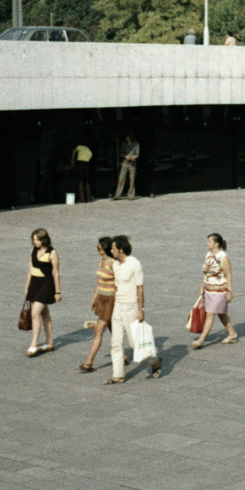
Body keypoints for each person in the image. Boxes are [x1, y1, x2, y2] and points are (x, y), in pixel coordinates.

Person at [107, 235, 161, 383]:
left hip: (131, 307)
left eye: (113, 248)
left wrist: (141, 309)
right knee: (115, 342)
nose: (111, 251)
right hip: (118, 306)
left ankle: (154, 361)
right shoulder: (115, 264)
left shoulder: (134, 264)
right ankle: (117, 375)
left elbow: (140, 288)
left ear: (121, 249)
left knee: (134, 343)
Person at [191, 231, 238, 347]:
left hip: (219, 291)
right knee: (221, 313)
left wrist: (229, 292)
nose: (207, 243)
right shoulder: (209, 255)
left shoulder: (223, 257)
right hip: (209, 290)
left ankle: (201, 340)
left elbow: (228, 275)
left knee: (210, 314)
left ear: (216, 244)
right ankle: (232, 333)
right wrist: (202, 287)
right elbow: (206, 273)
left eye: (209, 241)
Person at [80, 235, 116, 372]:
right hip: (102, 298)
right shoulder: (101, 262)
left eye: (99, 248)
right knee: (112, 329)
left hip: (110, 300)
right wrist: (94, 298)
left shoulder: (113, 264)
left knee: (98, 331)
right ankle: (123, 357)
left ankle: (88, 363)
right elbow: (99, 282)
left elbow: (119, 283)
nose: (97, 250)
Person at [23, 227, 60, 356]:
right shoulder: (32, 250)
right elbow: (30, 269)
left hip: (46, 284)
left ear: (44, 239)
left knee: (35, 313)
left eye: (37, 240)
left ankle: (34, 343)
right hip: (34, 283)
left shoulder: (52, 252)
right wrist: (27, 286)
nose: (35, 242)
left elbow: (55, 273)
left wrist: (58, 292)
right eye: (33, 240)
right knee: (44, 313)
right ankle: (49, 341)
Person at [113, 135, 140, 200]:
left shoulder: (136, 144)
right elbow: (121, 153)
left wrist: (132, 158)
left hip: (132, 162)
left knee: (132, 179)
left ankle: (131, 195)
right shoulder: (123, 143)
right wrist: (126, 157)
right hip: (125, 162)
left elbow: (137, 154)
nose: (127, 138)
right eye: (126, 137)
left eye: (128, 137)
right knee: (121, 178)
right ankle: (118, 195)